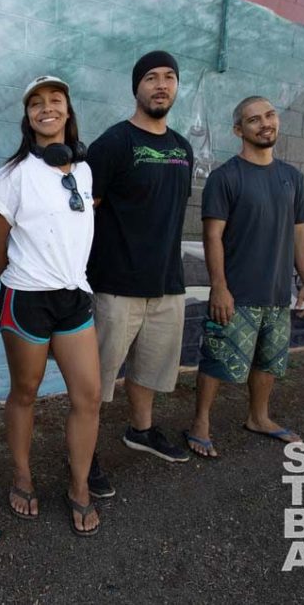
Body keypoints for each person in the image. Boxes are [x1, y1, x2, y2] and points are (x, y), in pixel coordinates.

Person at [0, 75, 102, 536]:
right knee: (26, 392)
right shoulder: (13, 175)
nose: (46, 108)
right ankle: (22, 476)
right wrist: (19, 280)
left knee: (88, 396)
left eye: (55, 100)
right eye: (36, 103)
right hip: (27, 299)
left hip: (74, 297)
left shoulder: (84, 170)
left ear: (68, 111)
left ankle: (79, 486)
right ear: (28, 117)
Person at [84, 50, 195, 496]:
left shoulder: (183, 148)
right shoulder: (113, 143)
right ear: (137, 87)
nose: (161, 85)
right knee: (96, 381)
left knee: (150, 370)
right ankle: (85, 452)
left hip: (167, 284)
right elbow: (85, 213)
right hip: (116, 285)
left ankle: (141, 430)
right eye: (151, 77)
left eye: (169, 77)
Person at [184, 96, 304, 458]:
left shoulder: (292, 178)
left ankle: (259, 417)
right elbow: (212, 236)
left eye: (269, 115)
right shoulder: (225, 177)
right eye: (254, 119)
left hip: (277, 293)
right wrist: (219, 287)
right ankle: (200, 423)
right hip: (236, 293)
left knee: (269, 360)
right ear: (238, 130)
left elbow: (300, 233)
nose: (265, 123)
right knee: (216, 359)